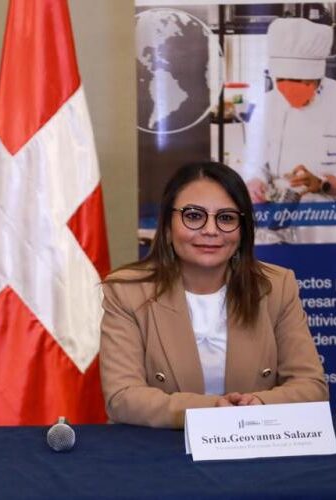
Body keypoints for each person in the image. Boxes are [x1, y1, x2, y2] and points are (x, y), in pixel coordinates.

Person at [100, 161, 327, 428]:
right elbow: (122, 397)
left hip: (253, 443)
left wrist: (259, 405)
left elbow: (311, 387)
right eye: (194, 216)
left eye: (226, 218)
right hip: (160, 447)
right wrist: (213, 410)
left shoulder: (277, 286)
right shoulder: (127, 291)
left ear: (243, 231)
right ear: (167, 227)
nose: (210, 230)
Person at [242, 17, 336, 243]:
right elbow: (256, 163)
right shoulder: (267, 104)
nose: (288, 90)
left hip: (327, 226)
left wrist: (322, 183)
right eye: (281, 81)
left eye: (298, 81)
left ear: (316, 77)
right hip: (276, 219)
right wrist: (255, 182)